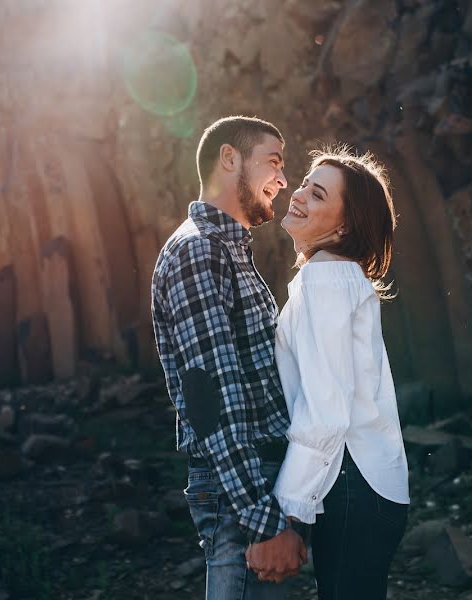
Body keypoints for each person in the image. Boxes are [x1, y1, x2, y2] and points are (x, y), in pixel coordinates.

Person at [151, 115, 308, 599]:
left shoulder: (228, 250)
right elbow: (214, 398)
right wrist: (264, 520)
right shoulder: (199, 252)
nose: (283, 179)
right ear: (229, 158)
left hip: (252, 484)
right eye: (274, 163)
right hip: (241, 491)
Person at [251, 145, 410, 599]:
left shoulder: (328, 278)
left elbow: (326, 411)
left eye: (317, 194)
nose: (299, 194)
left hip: (351, 487)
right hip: (363, 487)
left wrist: (289, 518)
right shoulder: (334, 276)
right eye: (305, 183)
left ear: (343, 225)